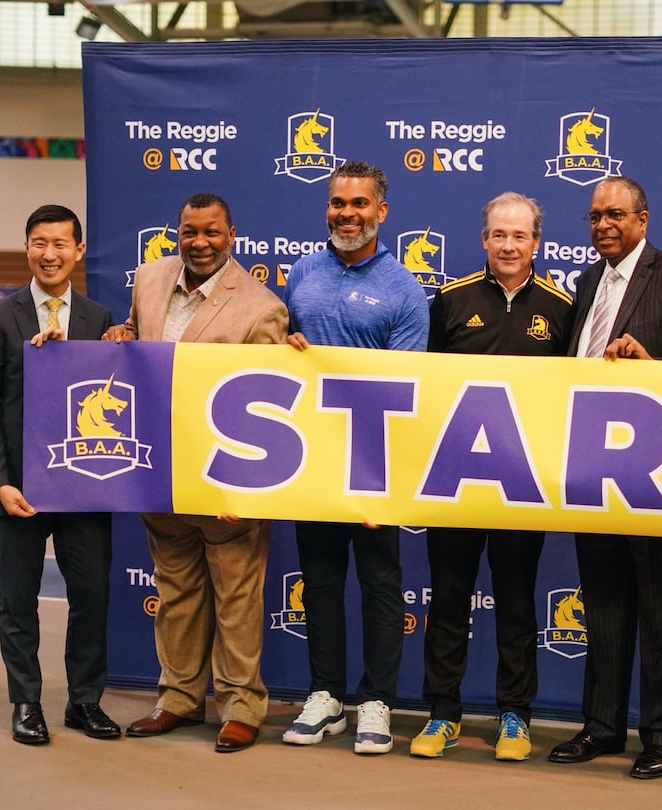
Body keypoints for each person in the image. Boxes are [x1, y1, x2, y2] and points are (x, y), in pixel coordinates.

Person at [546, 176, 662, 779]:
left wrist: (655, 367)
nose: (603, 225)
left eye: (615, 215)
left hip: (656, 478)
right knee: (604, 605)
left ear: (643, 220)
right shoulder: (588, 281)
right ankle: (601, 726)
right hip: (594, 470)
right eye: (595, 216)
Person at [103, 192, 289, 754]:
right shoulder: (149, 278)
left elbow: (268, 403)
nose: (200, 243)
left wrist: (247, 487)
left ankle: (240, 706)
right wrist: (120, 335)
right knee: (177, 591)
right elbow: (135, 340)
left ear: (231, 234)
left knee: (237, 598)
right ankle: (178, 699)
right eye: (189, 232)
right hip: (158, 470)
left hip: (224, 480)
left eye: (211, 233)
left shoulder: (261, 307)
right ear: (176, 232)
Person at [408, 192, 573, 762]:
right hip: (455, 480)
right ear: (483, 240)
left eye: (520, 236)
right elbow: (421, 390)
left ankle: (515, 714)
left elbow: (574, 401)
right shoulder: (449, 300)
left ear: (536, 243)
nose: (508, 245)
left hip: (522, 485)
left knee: (517, 601)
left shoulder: (561, 306)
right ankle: (442, 713)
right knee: (449, 597)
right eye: (499, 235)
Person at [280, 160, 429, 755]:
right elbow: (279, 360)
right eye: (338, 203)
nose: (347, 213)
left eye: (359, 204)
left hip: (374, 461)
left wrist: (382, 476)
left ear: (381, 212)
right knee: (317, 580)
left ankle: (377, 700)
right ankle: (325, 695)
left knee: (380, 583)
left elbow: (404, 389)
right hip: (311, 458)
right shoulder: (302, 274)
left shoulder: (404, 289)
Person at [0, 204, 119, 745]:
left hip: (82, 486)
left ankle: (84, 701)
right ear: (26, 248)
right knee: (18, 599)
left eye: (60, 243)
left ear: (79, 251)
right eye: (39, 242)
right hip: (20, 490)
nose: (49, 253)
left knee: (92, 596)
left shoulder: (100, 321)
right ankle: (26, 703)